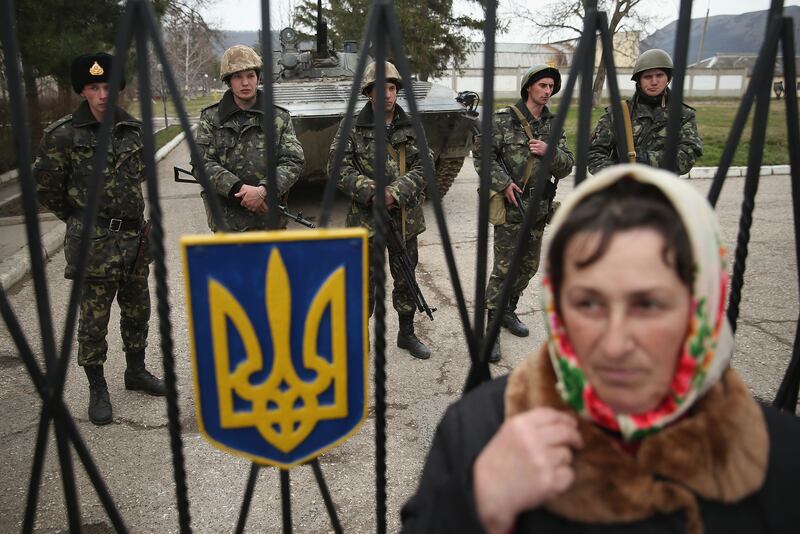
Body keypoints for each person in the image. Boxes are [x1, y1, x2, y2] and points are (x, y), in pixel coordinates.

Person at [401, 164, 800, 533]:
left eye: (648, 304)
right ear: (556, 306)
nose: (614, 345)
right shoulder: (478, 430)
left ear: (704, 305)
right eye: (588, 303)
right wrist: (475, 501)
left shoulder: (781, 460)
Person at [34, 52, 166, 426]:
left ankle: (136, 371)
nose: (102, 94)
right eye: (94, 87)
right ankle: (97, 387)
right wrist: (80, 220)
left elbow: (139, 178)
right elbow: (48, 188)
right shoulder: (62, 134)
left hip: (133, 239)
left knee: (138, 309)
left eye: (108, 86)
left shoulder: (133, 130)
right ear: (83, 90)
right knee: (94, 319)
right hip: (93, 243)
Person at [329, 61, 431, 360]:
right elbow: (337, 166)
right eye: (380, 89)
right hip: (365, 219)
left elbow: (425, 164)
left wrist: (394, 193)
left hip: (403, 218)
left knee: (405, 277)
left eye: (391, 88)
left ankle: (407, 332)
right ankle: (358, 338)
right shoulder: (352, 127)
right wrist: (370, 191)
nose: (387, 94)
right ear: (368, 93)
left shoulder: (411, 125)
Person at [474, 64, 574, 363]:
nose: (547, 91)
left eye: (551, 87)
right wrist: (503, 184)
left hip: (539, 207)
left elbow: (567, 164)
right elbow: (482, 156)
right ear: (529, 86)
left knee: (528, 266)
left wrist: (550, 151)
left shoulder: (554, 126)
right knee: (504, 269)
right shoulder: (503, 120)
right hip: (510, 206)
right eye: (542, 85)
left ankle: (508, 310)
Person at [196, 44, 304, 231]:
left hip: (269, 221)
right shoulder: (211, 118)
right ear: (228, 81)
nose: (245, 83)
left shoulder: (278, 117)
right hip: (227, 223)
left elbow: (293, 161)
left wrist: (263, 190)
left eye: (250, 76)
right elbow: (202, 163)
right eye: (238, 76)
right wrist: (239, 189)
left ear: (258, 78)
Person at [588, 48, 703, 175]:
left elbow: (688, 155)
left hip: (664, 190)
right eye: (647, 77)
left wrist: (645, 161)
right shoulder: (618, 113)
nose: (654, 82)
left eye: (659, 75)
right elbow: (594, 154)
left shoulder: (683, 115)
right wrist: (618, 176)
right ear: (639, 80)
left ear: (668, 78)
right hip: (623, 189)